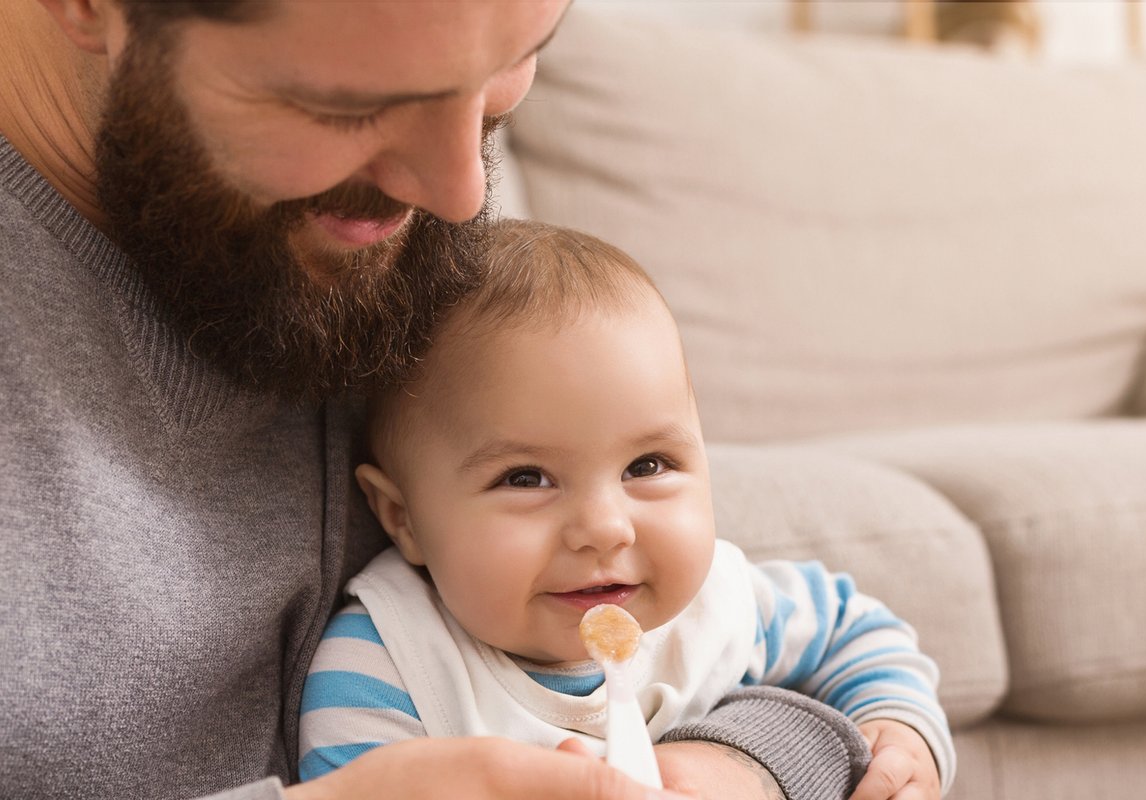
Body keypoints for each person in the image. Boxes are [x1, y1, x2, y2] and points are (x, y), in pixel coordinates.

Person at [0, 1, 907, 799]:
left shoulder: (393, 241)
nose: (461, 193)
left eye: (507, 71)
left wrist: (747, 761)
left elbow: (738, 649)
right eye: (351, 103)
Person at [302, 221, 956, 800]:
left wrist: (900, 730)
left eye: (648, 466)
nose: (606, 529)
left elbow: (853, 631)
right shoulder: (388, 665)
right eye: (527, 478)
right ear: (403, 518)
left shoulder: (718, 607)